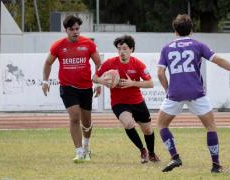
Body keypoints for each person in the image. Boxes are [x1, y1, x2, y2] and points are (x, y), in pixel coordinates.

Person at [157, 14, 230, 173]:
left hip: (175, 93)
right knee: (211, 127)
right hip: (196, 92)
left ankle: (175, 156)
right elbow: (219, 61)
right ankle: (216, 166)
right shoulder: (198, 45)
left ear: (175, 30)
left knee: (162, 125)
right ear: (192, 30)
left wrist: (168, 90)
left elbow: (160, 73)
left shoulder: (166, 48)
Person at [42, 15, 102, 163]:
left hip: (86, 87)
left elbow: (98, 63)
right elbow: (48, 63)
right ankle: (79, 151)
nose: (75, 32)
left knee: (86, 122)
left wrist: (98, 83)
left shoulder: (88, 44)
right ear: (66, 30)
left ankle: (87, 147)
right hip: (67, 87)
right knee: (74, 117)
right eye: (72, 29)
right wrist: (45, 81)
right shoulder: (58, 45)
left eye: (77, 29)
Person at [93, 35, 160, 163]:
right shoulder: (110, 63)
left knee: (147, 130)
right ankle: (142, 150)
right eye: (119, 49)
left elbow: (150, 83)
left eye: (124, 49)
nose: (121, 52)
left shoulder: (138, 64)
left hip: (137, 101)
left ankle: (151, 153)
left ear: (131, 49)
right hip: (119, 103)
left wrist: (132, 83)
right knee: (128, 123)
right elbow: (94, 77)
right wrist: (102, 81)